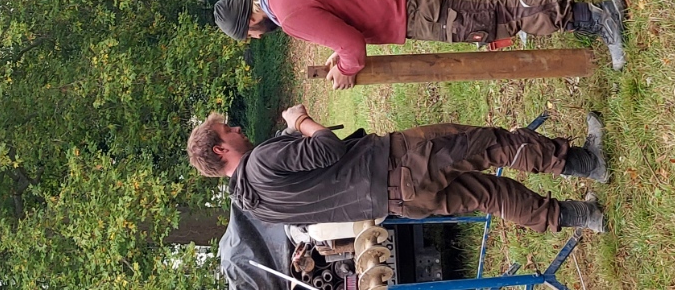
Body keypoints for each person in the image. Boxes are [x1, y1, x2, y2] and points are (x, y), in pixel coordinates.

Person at [187, 105, 610, 234]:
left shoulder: (258, 208)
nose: (239, 127)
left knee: (490, 196)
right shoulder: (260, 163)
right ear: (221, 149)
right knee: (491, 145)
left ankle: (584, 217)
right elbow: (328, 148)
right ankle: (587, 164)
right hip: (400, 162)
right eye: (229, 130)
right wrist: (299, 121)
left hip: (399, 203)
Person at [212, 0, 628, 88]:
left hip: (412, 12)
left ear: (250, 19)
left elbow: (353, 46)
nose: (255, 35)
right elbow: (342, 2)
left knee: (498, 17)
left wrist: (345, 69)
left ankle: (596, 17)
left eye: (248, 32)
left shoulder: (288, 17)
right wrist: (338, 48)